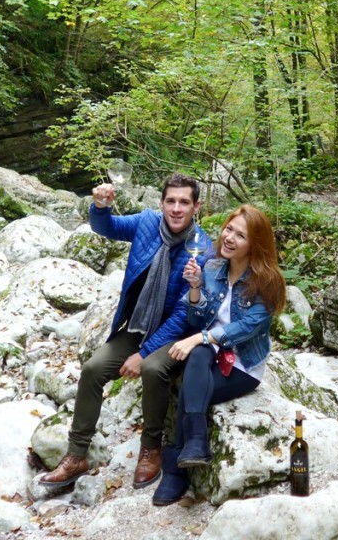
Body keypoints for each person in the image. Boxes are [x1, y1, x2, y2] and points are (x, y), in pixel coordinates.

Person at [39, 173, 214, 490]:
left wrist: (143, 354)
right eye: (171, 201)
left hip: (175, 332)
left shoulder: (202, 250)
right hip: (138, 324)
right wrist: (100, 207)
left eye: (184, 202)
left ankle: (151, 448)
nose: (176, 209)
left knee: (151, 368)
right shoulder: (148, 223)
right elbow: (107, 228)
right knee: (93, 369)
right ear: (161, 203)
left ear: (196, 207)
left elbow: (183, 315)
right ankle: (77, 454)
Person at [151, 204, 287, 506]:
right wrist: (196, 289)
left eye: (240, 235)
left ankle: (175, 471)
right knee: (198, 357)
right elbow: (198, 319)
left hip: (243, 365)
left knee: (191, 386)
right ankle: (196, 442)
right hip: (209, 354)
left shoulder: (268, 281)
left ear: (255, 244)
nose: (229, 238)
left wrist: (200, 338)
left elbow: (246, 328)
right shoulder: (212, 268)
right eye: (229, 229)